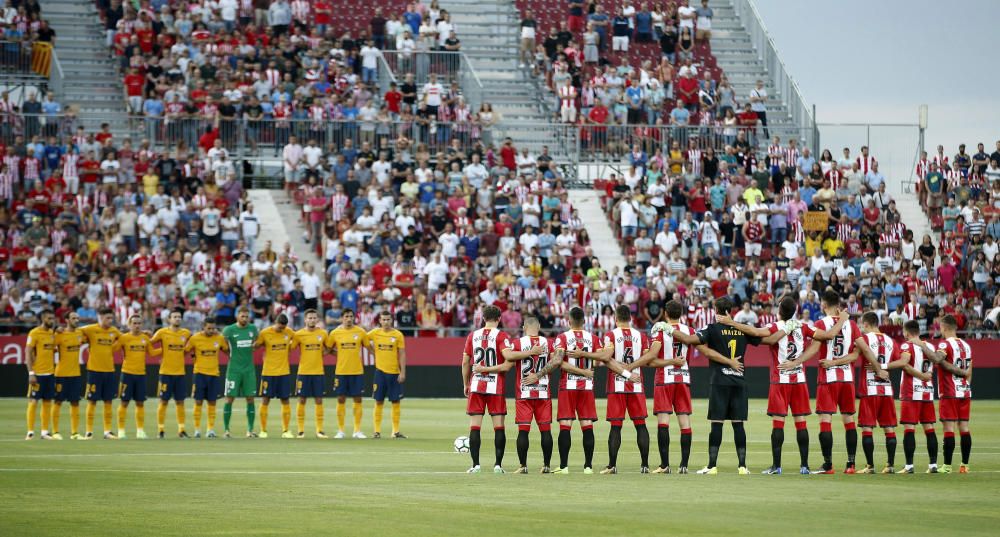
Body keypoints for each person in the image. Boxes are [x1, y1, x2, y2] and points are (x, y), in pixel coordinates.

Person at [718, 298, 847, 475]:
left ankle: (777, 466)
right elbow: (829, 335)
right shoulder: (803, 327)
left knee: (778, 423)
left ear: (779, 310)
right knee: (801, 423)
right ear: (794, 311)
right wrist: (842, 319)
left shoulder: (776, 326)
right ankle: (804, 466)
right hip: (799, 380)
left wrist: (732, 323)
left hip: (780, 380)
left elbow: (754, 332)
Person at [631, 300, 721, 473]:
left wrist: (631, 366)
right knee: (684, 422)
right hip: (683, 379)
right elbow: (707, 352)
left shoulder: (660, 330)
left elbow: (652, 356)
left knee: (663, 422)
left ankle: (664, 465)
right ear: (681, 314)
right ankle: (684, 465)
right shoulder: (690, 331)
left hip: (665, 379)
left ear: (665, 313)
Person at [462, 305, 545, 473]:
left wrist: (466, 384)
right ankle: (498, 465)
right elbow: (508, 361)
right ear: (499, 319)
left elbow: (465, 362)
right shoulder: (501, 336)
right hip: (496, 386)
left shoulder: (472, 336)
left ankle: (475, 465)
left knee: (474, 426)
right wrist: (531, 351)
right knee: (498, 426)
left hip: (476, 384)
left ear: (483, 318)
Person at [794, 291, 866, 473]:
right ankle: (851, 464)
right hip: (848, 379)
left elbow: (815, 348)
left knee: (825, 420)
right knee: (849, 421)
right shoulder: (851, 325)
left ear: (824, 305)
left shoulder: (821, 324)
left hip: (828, 378)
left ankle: (828, 464)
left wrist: (797, 361)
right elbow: (858, 352)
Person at [694, 297, 757, 475]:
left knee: (716, 424)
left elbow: (696, 341)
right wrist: (736, 324)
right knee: (738, 425)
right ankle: (742, 466)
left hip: (719, 381)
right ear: (731, 310)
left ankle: (712, 466)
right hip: (739, 381)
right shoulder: (741, 329)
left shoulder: (712, 328)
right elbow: (759, 335)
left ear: (716, 310)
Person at [501, 316, 563, 473]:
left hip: (524, 393)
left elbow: (508, 357)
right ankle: (547, 466)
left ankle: (523, 466)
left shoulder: (517, 343)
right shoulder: (548, 343)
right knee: (545, 430)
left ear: (523, 328)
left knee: (523, 430)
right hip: (543, 392)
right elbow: (556, 361)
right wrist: (540, 375)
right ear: (540, 326)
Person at [593, 305, 651, 474]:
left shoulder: (611, 335)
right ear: (631, 319)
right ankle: (645, 465)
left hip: (617, 386)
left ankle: (612, 466)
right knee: (641, 425)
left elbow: (606, 358)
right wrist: (632, 370)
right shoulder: (641, 336)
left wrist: (624, 372)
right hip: (636, 384)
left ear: (616, 319)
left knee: (616, 426)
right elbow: (647, 359)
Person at [550, 306, 604, 474]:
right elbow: (601, 360)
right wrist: (586, 366)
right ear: (585, 321)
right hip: (587, 387)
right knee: (587, 425)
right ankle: (588, 467)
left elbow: (558, 362)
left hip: (568, 386)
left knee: (565, 425)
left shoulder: (562, 337)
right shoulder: (594, 338)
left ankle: (564, 466)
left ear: (569, 321)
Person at [854, 311, 906, 474]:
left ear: (867, 324)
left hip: (870, 389)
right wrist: (884, 367)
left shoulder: (865, 339)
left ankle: (870, 466)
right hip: (886, 389)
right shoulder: (890, 341)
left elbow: (855, 355)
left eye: (863, 325)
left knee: (867, 429)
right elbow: (901, 361)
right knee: (889, 429)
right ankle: (889, 465)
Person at [926, 314, 973, 474]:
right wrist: (965, 384)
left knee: (949, 428)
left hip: (949, 391)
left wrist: (922, 346)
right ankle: (965, 465)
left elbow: (937, 359)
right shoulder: (966, 346)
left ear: (944, 327)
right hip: (965, 390)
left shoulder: (945, 344)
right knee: (964, 427)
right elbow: (969, 370)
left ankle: (946, 466)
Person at [897, 320, 940, 474]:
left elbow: (905, 365)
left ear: (907, 332)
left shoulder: (906, 346)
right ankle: (933, 465)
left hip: (911, 391)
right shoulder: (930, 346)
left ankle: (909, 466)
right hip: (927, 391)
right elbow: (934, 363)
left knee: (910, 428)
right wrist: (925, 376)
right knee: (929, 428)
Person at [112, 315, 159, 439]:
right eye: (134, 323)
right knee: (124, 402)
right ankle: (121, 431)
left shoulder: (145, 338)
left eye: (139, 323)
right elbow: (113, 349)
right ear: (129, 324)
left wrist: (166, 348)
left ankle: (140, 431)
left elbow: (152, 353)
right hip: (127, 374)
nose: (137, 325)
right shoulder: (124, 338)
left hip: (141, 375)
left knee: (140, 403)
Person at [326, 309, 370, 438]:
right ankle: (340, 430)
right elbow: (328, 349)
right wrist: (340, 355)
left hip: (357, 371)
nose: (349, 319)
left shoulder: (360, 332)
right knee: (341, 398)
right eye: (346, 316)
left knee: (358, 398)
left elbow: (369, 347)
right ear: (342, 318)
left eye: (351, 316)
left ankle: (357, 430)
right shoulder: (335, 333)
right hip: (341, 371)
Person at [81, 308, 123, 439]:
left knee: (108, 401)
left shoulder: (114, 331)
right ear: (100, 317)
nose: (110, 321)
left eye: (111, 318)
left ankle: (107, 431)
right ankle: (89, 432)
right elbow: (76, 331)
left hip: (109, 371)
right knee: (92, 401)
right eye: (107, 318)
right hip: (94, 371)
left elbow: (125, 339)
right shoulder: (90, 329)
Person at [254, 313, 298, 438]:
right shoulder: (264, 333)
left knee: (285, 400)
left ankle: (286, 430)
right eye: (279, 327)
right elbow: (256, 345)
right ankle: (263, 430)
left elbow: (299, 339)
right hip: (268, 372)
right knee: (265, 400)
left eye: (283, 327)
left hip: (284, 372)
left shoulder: (289, 332)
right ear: (275, 322)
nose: (281, 329)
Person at [185, 317, 229, 438]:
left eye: (213, 328)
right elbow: (186, 350)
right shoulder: (195, 338)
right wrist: (193, 356)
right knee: (198, 401)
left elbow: (227, 351)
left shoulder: (219, 338)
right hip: (199, 374)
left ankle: (210, 430)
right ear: (203, 327)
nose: (211, 330)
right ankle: (197, 429)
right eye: (209, 328)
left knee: (212, 402)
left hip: (214, 374)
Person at [151, 308, 192, 438]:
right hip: (165, 373)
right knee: (163, 401)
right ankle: (161, 430)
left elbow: (190, 347)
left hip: (180, 373)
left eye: (179, 317)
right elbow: (149, 344)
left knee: (180, 402)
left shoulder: (186, 333)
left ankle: (181, 430)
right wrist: (161, 352)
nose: (177, 319)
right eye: (175, 317)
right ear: (169, 319)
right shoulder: (162, 332)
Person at [222, 307, 261, 438]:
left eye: (246, 316)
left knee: (250, 398)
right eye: (242, 316)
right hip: (233, 370)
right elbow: (223, 346)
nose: (244, 318)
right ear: (237, 316)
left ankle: (250, 430)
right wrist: (231, 355)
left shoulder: (253, 329)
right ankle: (226, 430)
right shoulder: (229, 330)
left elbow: (256, 343)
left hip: (249, 370)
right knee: (229, 398)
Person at [367, 310, 407, 439]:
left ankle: (395, 431)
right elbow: (363, 340)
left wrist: (402, 372)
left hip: (394, 373)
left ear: (392, 320)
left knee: (396, 402)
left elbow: (402, 354)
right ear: (379, 321)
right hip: (380, 372)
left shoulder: (398, 335)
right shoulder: (375, 333)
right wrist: (372, 351)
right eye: (383, 320)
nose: (386, 322)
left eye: (388, 319)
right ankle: (376, 431)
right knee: (379, 401)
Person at [294, 309, 328, 438]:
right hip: (303, 372)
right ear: (305, 320)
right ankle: (301, 430)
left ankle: (319, 430)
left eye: (314, 318)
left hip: (318, 372)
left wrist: (320, 354)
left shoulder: (323, 333)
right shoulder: (299, 335)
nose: (312, 320)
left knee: (319, 400)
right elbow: (291, 347)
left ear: (317, 320)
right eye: (310, 318)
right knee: (302, 399)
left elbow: (328, 348)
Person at [53, 312, 86, 439]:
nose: (76, 320)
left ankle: (75, 433)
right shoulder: (60, 334)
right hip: (61, 374)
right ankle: (55, 432)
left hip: (75, 374)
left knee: (75, 403)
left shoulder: (79, 334)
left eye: (78, 318)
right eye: (73, 318)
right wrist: (55, 330)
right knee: (58, 402)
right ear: (66, 320)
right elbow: (50, 347)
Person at [25, 310, 57, 440]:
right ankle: (30, 431)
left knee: (47, 402)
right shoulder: (34, 333)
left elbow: (51, 350)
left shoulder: (51, 333)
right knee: (33, 402)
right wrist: (31, 372)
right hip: (37, 374)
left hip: (50, 373)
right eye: (49, 318)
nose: (52, 321)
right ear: (43, 318)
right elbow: (27, 352)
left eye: (53, 318)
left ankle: (44, 432)